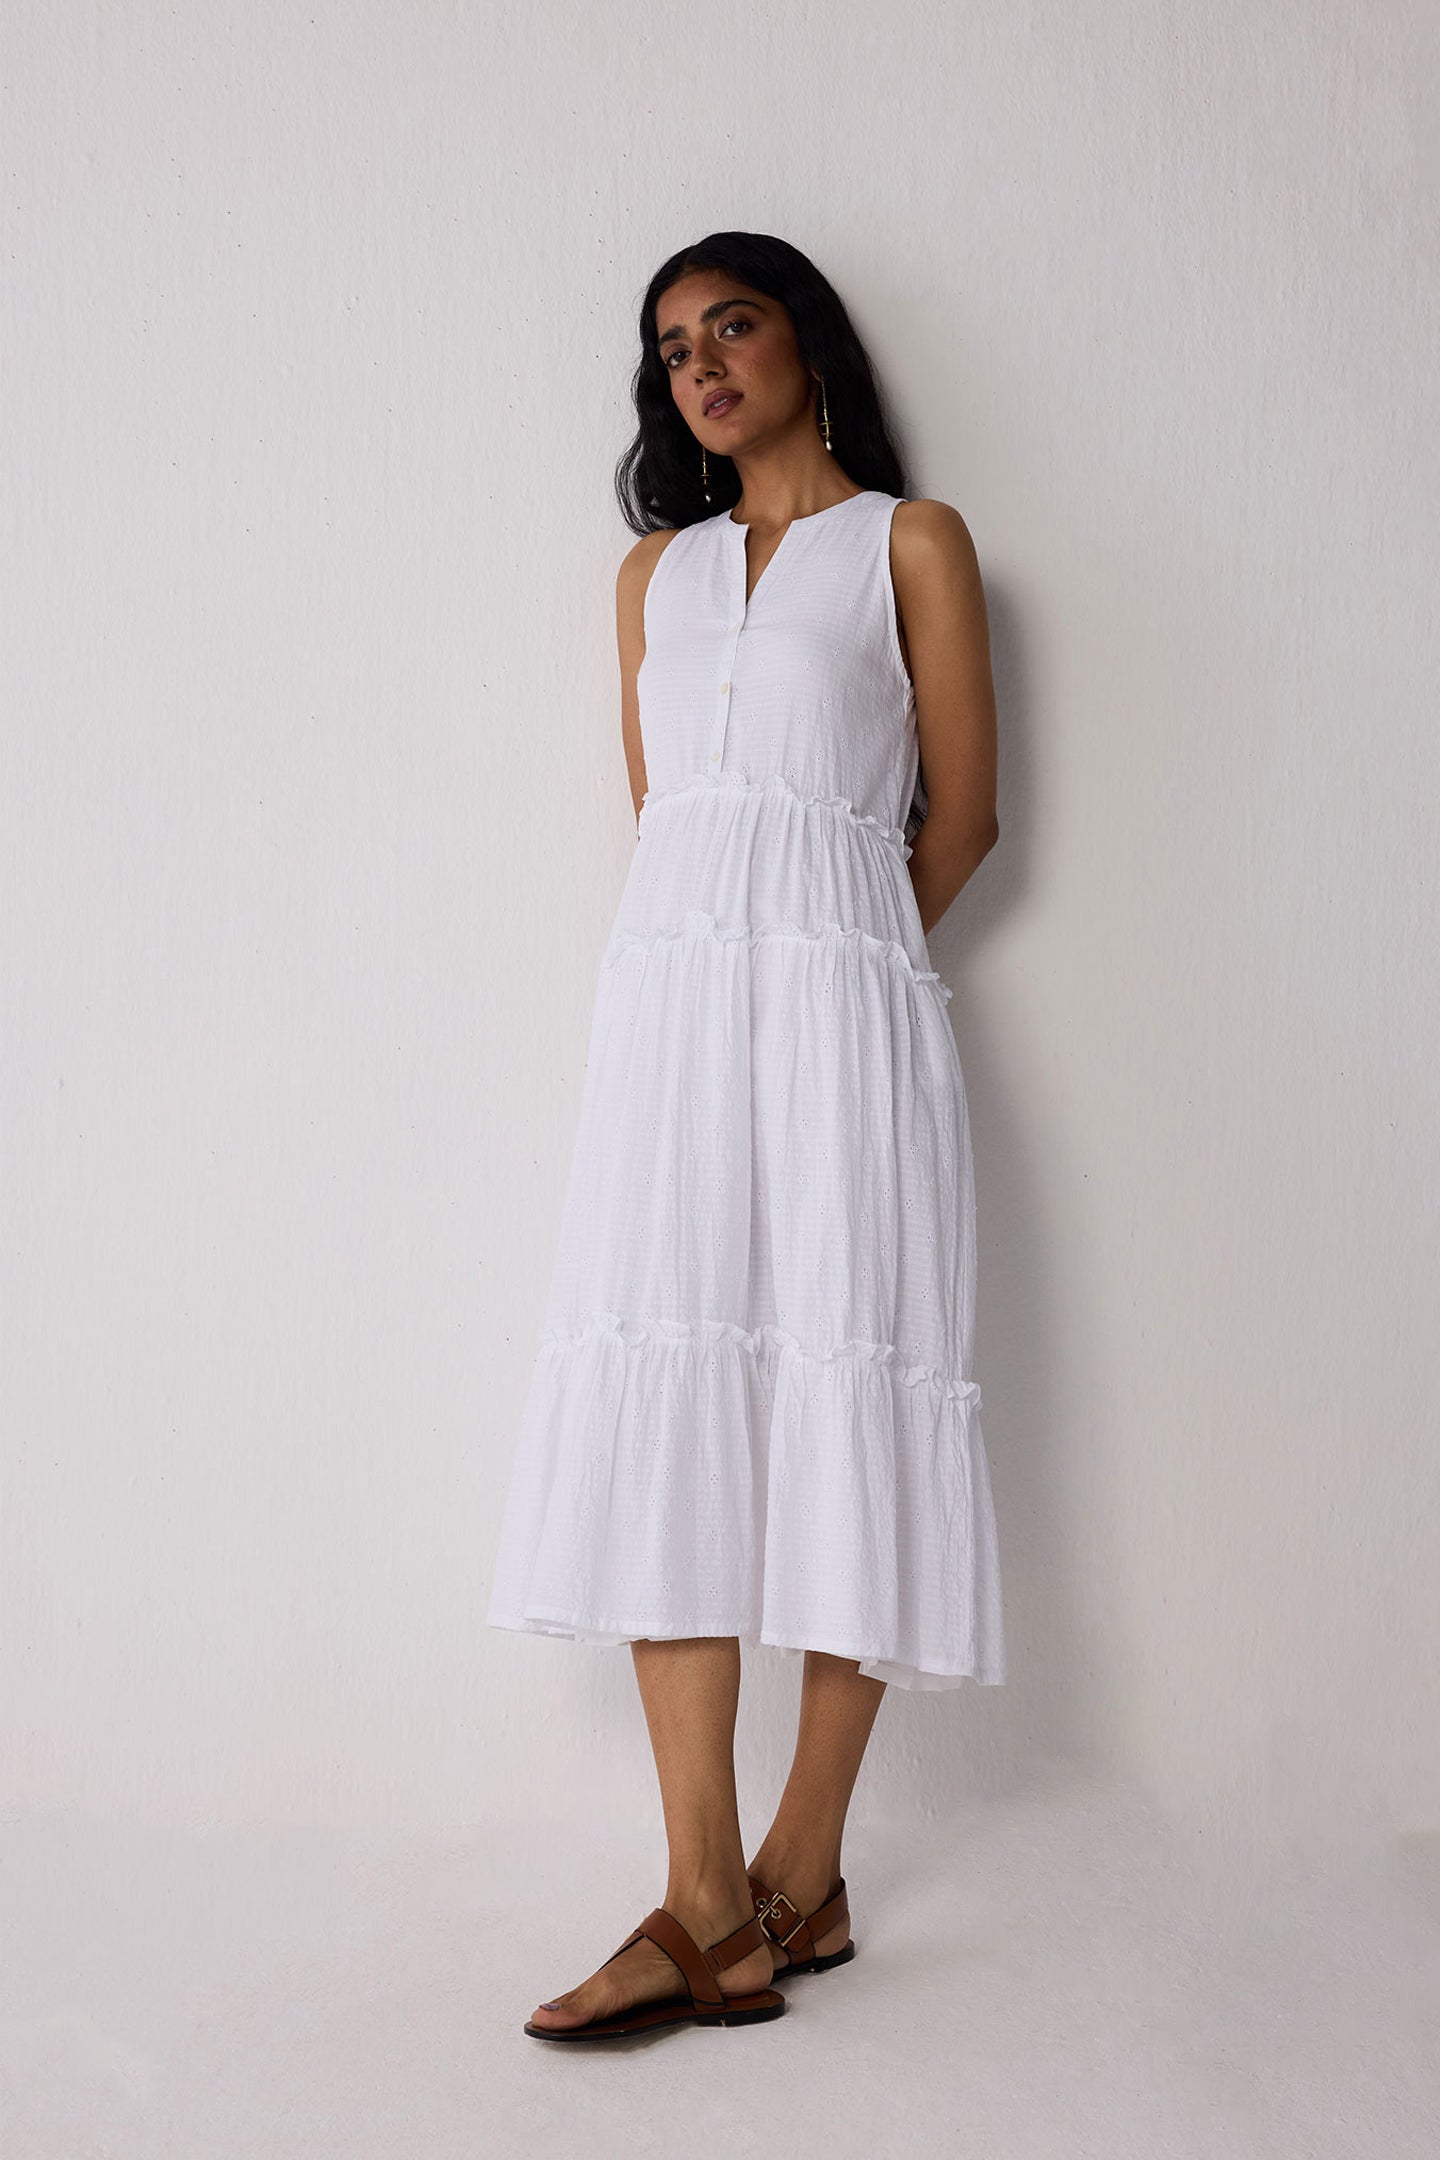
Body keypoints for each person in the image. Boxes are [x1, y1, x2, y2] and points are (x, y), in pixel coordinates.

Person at [486, 231, 1006, 2042]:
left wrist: (840, 974)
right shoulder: (657, 577)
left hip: (850, 1028)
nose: (700, 363)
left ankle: (804, 1866)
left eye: (734, 324)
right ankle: (703, 1896)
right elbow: (672, 829)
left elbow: (963, 821)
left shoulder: (910, 547)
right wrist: (727, 982)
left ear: (807, 344)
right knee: (674, 1400)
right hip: (671, 1029)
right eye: (672, 346)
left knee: (847, 1387)